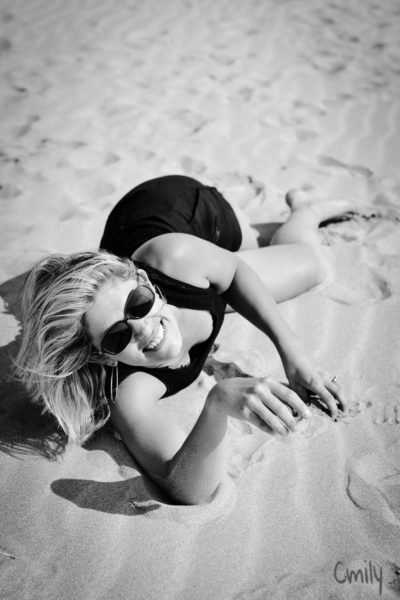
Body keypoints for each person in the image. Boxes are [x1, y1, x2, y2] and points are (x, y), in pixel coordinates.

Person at [16, 175, 350, 505]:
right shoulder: (127, 391)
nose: (143, 329)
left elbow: (233, 271)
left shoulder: (175, 258)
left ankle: (304, 210)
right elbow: (188, 486)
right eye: (117, 337)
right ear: (102, 356)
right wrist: (217, 406)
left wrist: (293, 353)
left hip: (180, 207)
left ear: (144, 279)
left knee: (308, 263)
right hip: (152, 248)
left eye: (138, 304)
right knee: (263, 264)